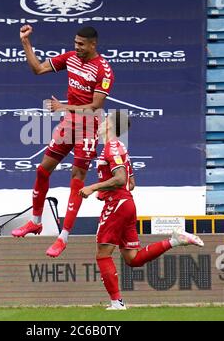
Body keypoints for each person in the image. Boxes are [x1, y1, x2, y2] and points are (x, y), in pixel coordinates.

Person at [79, 111, 204, 310]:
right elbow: (131, 183)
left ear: (110, 125)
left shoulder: (111, 147)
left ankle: (116, 303)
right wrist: (108, 189)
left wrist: (94, 187)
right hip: (126, 204)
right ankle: (175, 240)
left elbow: (121, 180)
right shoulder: (120, 148)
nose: (101, 123)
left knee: (103, 253)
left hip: (117, 205)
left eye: (105, 120)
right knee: (132, 259)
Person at [12, 24, 114, 258]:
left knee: (76, 180)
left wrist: (63, 107)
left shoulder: (104, 70)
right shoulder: (70, 58)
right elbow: (37, 69)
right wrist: (25, 43)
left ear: (93, 45)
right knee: (42, 170)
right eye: (75, 43)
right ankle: (35, 222)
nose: (76, 47)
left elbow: (96, 106)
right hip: (68, 123)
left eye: (80, 44)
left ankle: (63, 237)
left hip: (88, 126)